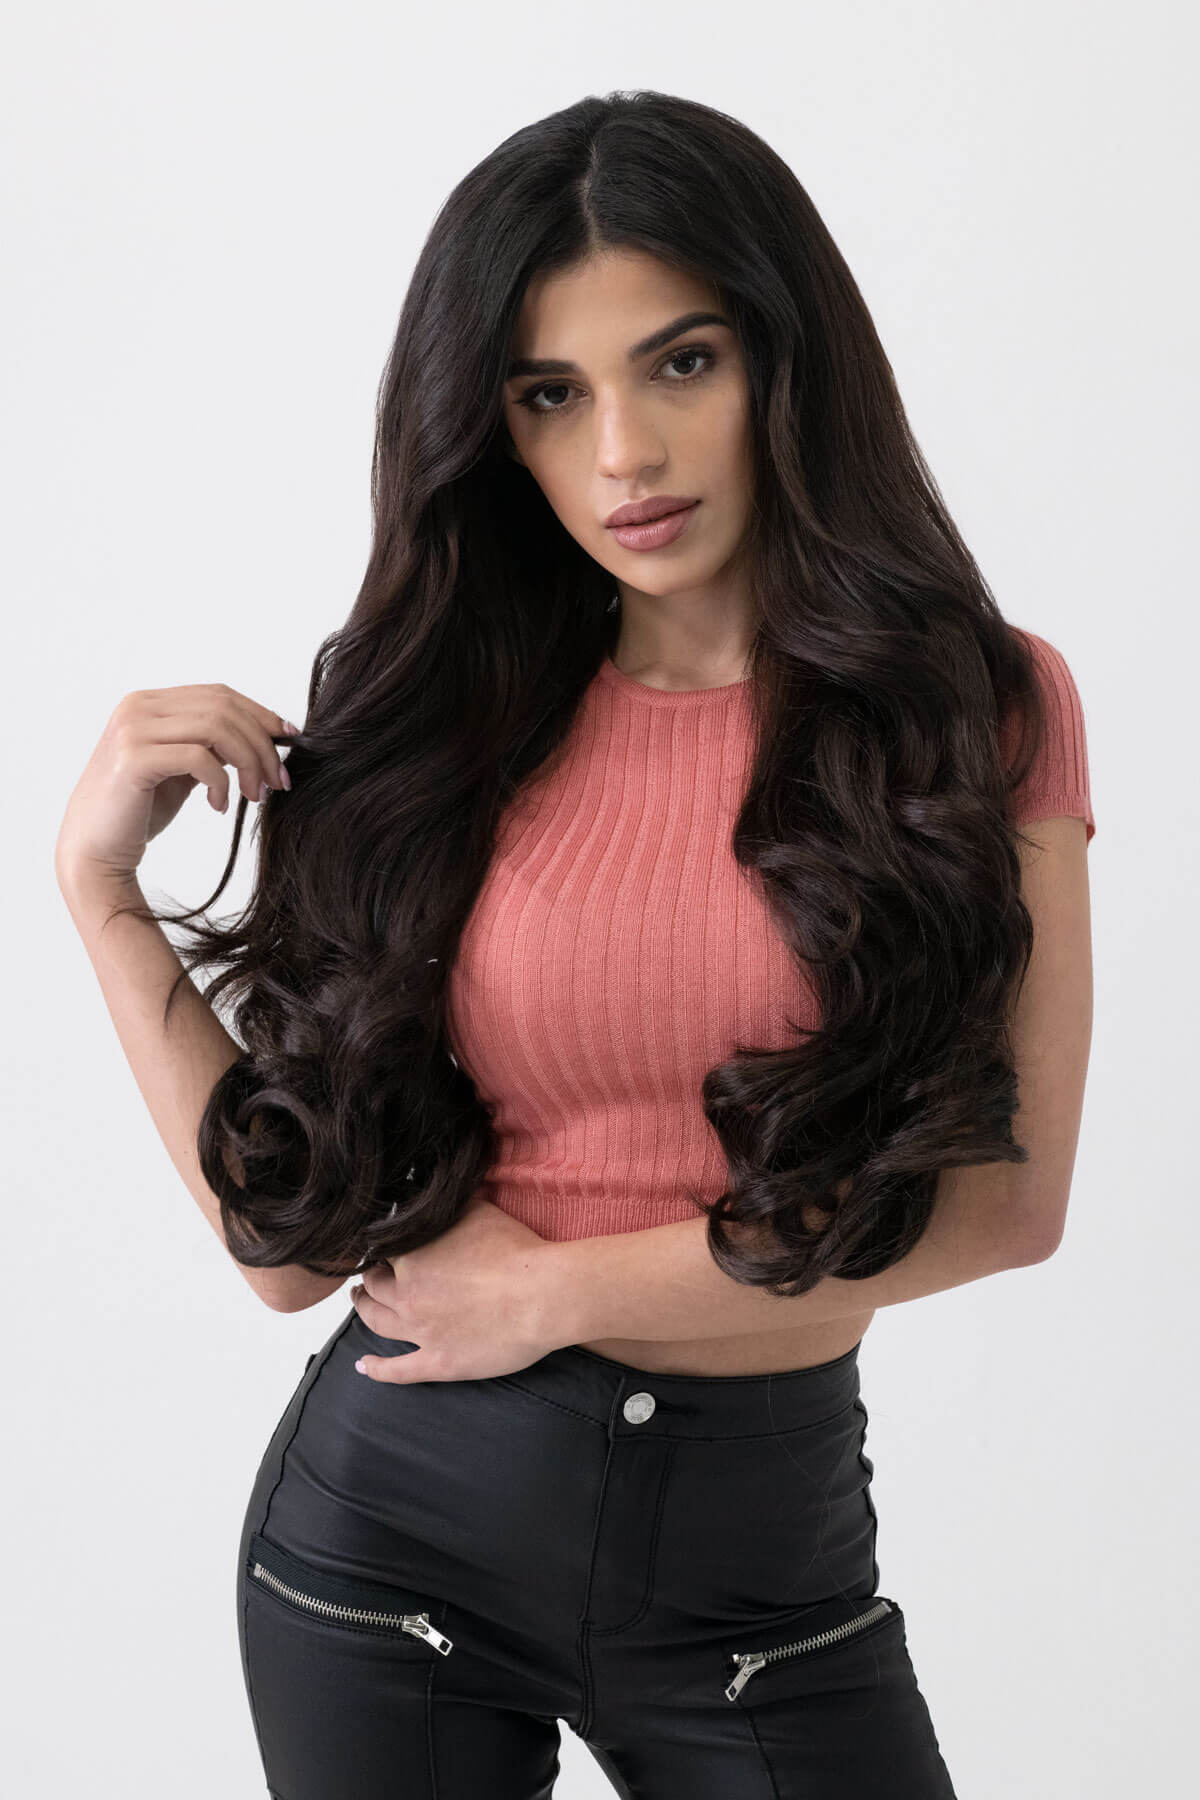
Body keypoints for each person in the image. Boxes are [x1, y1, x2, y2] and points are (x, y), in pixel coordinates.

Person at [54, 90, 1095, 1799]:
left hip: (764, 1596)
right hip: (382, 1565)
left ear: (785, 362)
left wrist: (556, 1294)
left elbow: (1006, 1206)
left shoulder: (975, 709)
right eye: (551, 394)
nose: (624, 454)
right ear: (493, 428)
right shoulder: (450, 723)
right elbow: (291, 1259)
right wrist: (102, 895)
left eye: (680, 363)